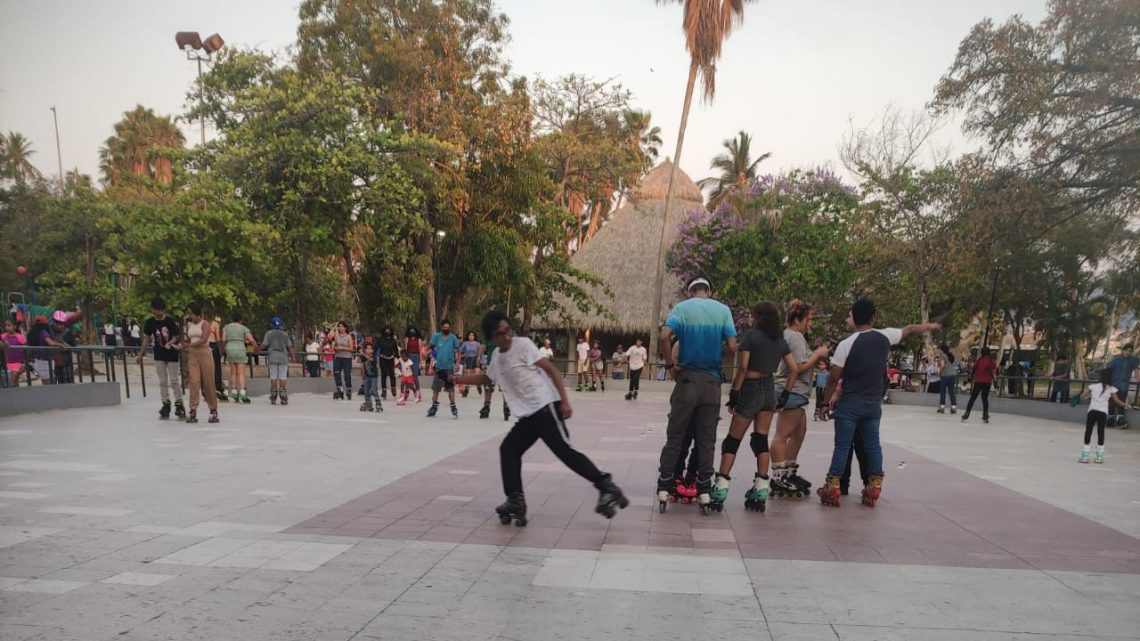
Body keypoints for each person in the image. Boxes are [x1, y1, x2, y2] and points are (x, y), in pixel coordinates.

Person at [445, 309, 628, 526]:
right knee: (509, 449)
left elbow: (551, 370)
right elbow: (487, 377)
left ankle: (607, 486)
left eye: (508, 331)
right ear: (492, 337)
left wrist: (564, 401)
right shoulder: (496, 356)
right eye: (501, 334)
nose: (507, 336)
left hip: (544, 407)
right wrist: (458, 379)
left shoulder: (523, 345)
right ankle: (515, 500)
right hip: (528, 415)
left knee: (565, 452)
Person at [818, 299, 940, 507]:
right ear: (873, 317)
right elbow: (909, 329)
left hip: (849, 404)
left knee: (842, 445)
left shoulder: (846, 345)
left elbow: (833, 378)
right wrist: (928, 327)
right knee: (872, 444)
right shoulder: (885, 335)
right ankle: (874, 485)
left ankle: (833, 487)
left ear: (854, 319)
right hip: (873, 404)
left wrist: (824, 403)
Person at [711, 301, 812, 513]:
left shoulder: (751, 337)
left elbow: (743, 367)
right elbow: (794, 369)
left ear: (758, 317)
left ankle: (720, 487)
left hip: (750, 388)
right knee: (760, 440)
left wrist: (734, 394)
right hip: (769, 389)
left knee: (733, 440)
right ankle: (761, 488)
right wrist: (784, 396)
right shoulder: (779, 340)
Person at [654, 277, 738, 515]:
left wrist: (671, 365)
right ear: (708, 291)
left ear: (690, 291)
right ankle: (703, 489)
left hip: (687, 380)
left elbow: (663, 337)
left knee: (676, 436)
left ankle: (665, 486)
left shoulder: (682, 308)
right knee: (706, 439)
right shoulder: (722, 310)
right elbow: (733, 346)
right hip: (712, 383)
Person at [768, 299, 830, 500]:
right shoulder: (793, 337)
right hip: (791, 391)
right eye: (807, 320)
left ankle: (788, 472)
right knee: (782, 434)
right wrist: (818, 354)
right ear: (797, 320)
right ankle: (778, 476)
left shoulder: (794, 336)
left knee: (799, 433)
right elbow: (798, 366)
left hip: (798, 394)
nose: (809, 324)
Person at [138, 298, 185, 419]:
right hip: (159, 354)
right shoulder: (150, 323)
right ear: (152, 309)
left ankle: (179, 405)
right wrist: (141, 353)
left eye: (161, 310)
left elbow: (176, 336)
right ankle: (165, 404)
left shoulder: (170, 321)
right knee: (163, 381)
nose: (158, 312)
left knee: (174, 380)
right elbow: (147, 338)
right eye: (156, 310)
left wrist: (170, 342)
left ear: (164, 310)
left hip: (171, 354)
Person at [1080, 368, 1132, 463]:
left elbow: (1082, 396)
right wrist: (1126, 405)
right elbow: (1117, 401)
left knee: (1088, 431)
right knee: (1101, 433)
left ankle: (1085, 456)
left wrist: (1089, 397)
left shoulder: (1093, 386)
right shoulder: (1111, 389)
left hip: (1092, 411)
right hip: (1103, 413)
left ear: (1101, 376)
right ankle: (1099, 457)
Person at [179, 303, 220, 423]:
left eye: (191, 313)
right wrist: (182, 344)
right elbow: (188, 338)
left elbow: (204, 339)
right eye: (188, 313)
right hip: (192, 354)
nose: (190, 316)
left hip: (204, 353)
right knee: (194, 381)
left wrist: (189, 345)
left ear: (197, 313)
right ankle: (193, 409)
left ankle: (213, 409)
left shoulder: (205, 324)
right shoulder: (189, 324)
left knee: (208, 382)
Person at [427, 319, 461, 418]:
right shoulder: (436, 336)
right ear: (441, 327)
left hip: (449, 367)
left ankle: (453, 407)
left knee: (450, 389)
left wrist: (458, 363)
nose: (446, 328)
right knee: (436, 389)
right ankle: (434, 407)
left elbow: (458, 351)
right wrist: (426, 353)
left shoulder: (453, 338)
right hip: (439, 368)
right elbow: (431, 346)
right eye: (444, 327)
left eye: (448, 327)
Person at [260, 316, 294, 405]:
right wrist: (293, 356)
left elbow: (264, 344)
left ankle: (273, 395)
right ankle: (283, 395)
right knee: (282, 376)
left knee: (273, 376)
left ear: (271, 324)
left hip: (272, 356)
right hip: (283, 357)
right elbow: (290, 346)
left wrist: (257, 349)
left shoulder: (269, 334)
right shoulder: (285, 334)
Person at [222, 313, 255, 403]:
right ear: (240, 320)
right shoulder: (244, 328)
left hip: (230, 348)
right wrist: (255, 347)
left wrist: (224, 348)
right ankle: (242, 394)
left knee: (233, 373)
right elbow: (251, 340)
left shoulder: (226, 327)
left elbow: (223, 339)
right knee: (241, 373)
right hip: (240, 348)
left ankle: (234, 392)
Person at [961, 347, 997, 423]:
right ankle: (985, 414)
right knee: (984, 398)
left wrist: (970, 378)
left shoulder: (979, 360)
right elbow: (994, 373)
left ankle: (967, 413)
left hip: (978, 381)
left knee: (973, 398)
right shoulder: (991, 361)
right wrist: (995, 383)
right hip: (987, 382)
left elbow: (973, 370)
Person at [1107, 344, 1137, 428]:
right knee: (1112, 401)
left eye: (1130, 351)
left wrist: (1138, 380)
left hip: (1124, 385)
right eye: (1126, 350)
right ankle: (1111, 418)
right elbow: (1109, 369)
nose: (1128, 352)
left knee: (1122, 401)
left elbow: (1136, 370)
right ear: (1123, 350)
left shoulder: (1133, 360)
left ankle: (1120, 419)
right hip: (1114, 383)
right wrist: (1107, 381)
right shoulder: (1116, 359)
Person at [330, 321, 356, 401]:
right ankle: (339, 388)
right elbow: (333, 346)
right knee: (336, 372)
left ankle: (348, 389)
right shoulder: (337, 336)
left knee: (347, 374)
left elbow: (352, 349)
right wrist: (334, 345)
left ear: (345, 328)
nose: (340, 328)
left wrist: (342, 348)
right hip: (338, 357)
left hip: (347, 358)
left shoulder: (348, 337)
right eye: (339, 327)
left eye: (342, 327)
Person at [208, 314, 228, 402]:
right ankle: (218, 387)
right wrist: (221, 348)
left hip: (205, 346)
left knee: (207, 368)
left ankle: (207, 389)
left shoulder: (203, 324)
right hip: (213, 344)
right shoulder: (215, 324)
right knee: (217, 367)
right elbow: (218, 338)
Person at [3, 319, 27, 387]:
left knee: (12, 382)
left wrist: (24, 363)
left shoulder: (20, 336)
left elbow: (27, 350)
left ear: (14, 326)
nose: (7, 327)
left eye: (9, 325)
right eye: (5, 325)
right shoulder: (3, 336)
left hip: (18, 363)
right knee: (14, 383)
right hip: (7, 363)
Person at [459, 331, 484, 398]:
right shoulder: (465, 343)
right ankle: (466, 391)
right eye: (470, 335)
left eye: (472, 335)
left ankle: (478, 385)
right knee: (468, 376)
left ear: (474, 336)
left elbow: (481, 353)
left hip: (476, 359)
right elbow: (460, 350)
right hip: (468, 359)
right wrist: (460, 355)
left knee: (477, 375)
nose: (471, 337)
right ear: (468, 336)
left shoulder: (477, 344)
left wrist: (482, 360)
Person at [358, 343, 381, 412]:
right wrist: (363, 375)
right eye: (367, 348)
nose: (368, 350)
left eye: (370, 348)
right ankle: (368, 404)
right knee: (366, 391)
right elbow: (362, 366)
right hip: (367, 376)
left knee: (374, 390)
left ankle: (378, 403)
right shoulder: (363, 357)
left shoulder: (374, 356)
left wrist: (362, 353)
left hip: (374, 376)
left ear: (373, 350)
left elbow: (370, 360)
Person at [377, 327, 398, 400]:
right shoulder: (380, 339)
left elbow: (396, 350)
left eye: (389, 330)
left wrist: (398, 358)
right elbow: (376, 348)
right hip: (382, 359)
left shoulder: (393, 340)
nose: (387, 331)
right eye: (386, 330)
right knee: (384, 374)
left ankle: (393, 387)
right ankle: (384, 390)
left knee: (392, 374)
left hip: (390, 359)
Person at [937, 344, 959, 414]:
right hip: (953, 375)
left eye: (939, 349)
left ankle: (942, 407)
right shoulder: (951, 356)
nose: (939, 350)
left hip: (945, 375)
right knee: (951, 391)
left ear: (942, 350)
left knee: (943, 391)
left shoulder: (942, 356)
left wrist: (939, 372)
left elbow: (942, 365)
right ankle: (953, 407)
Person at [406, 328, 423, 401]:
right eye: (410, 331)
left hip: (416, 357)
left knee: (415, 375)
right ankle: (406, 391)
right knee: (408, 375)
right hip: (409, 357)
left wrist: (420, 362)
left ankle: (418, 392)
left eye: (413, 331)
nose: (412, 332)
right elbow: (406, 350)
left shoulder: (418, 340)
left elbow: (420, 351)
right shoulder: (407, 339)